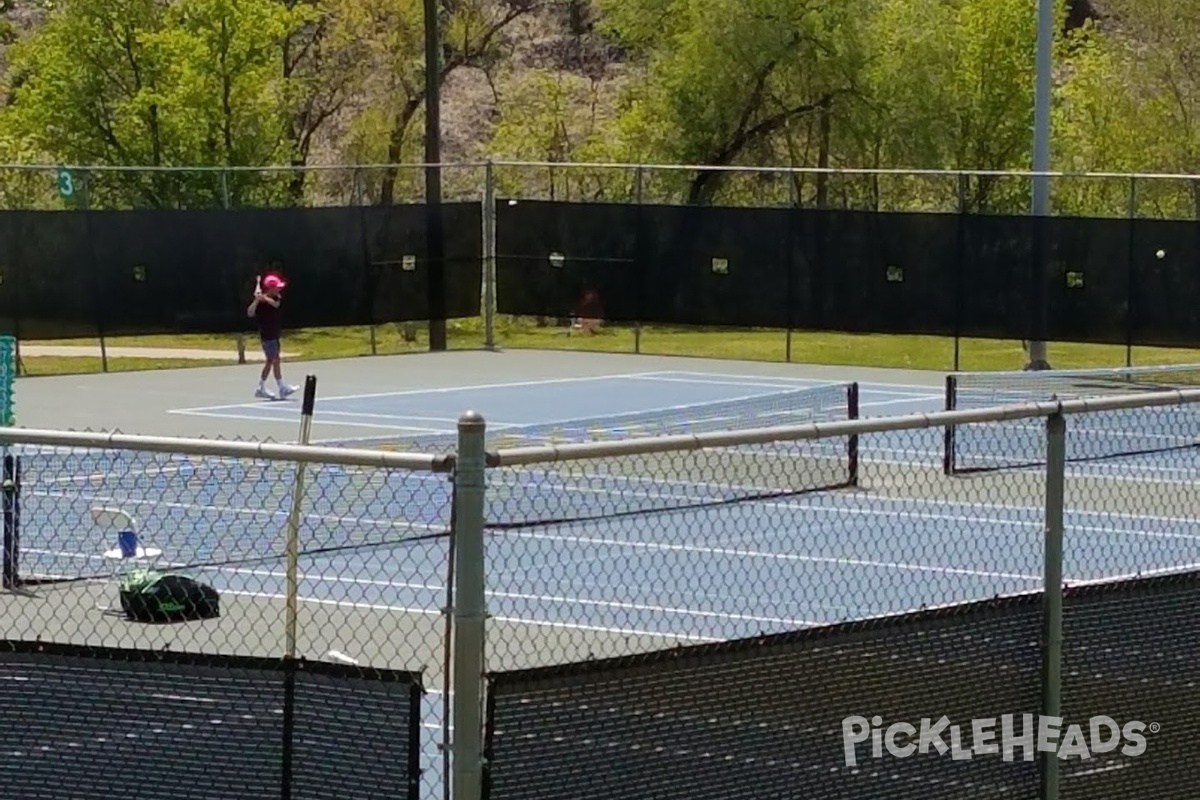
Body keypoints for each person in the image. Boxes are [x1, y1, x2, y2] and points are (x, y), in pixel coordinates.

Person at [247, 273, 296, 399]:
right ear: (270, 288)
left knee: (271, 361)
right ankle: (280, 387)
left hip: (274, 335)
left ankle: (262, 388)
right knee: (274, 360)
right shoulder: (260, 303)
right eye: (277, 287)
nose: (279, 289)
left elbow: (276, 305)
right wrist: (256, 301)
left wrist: (263, 297)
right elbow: (250, 313)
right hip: (267, 336)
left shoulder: (276, 297)